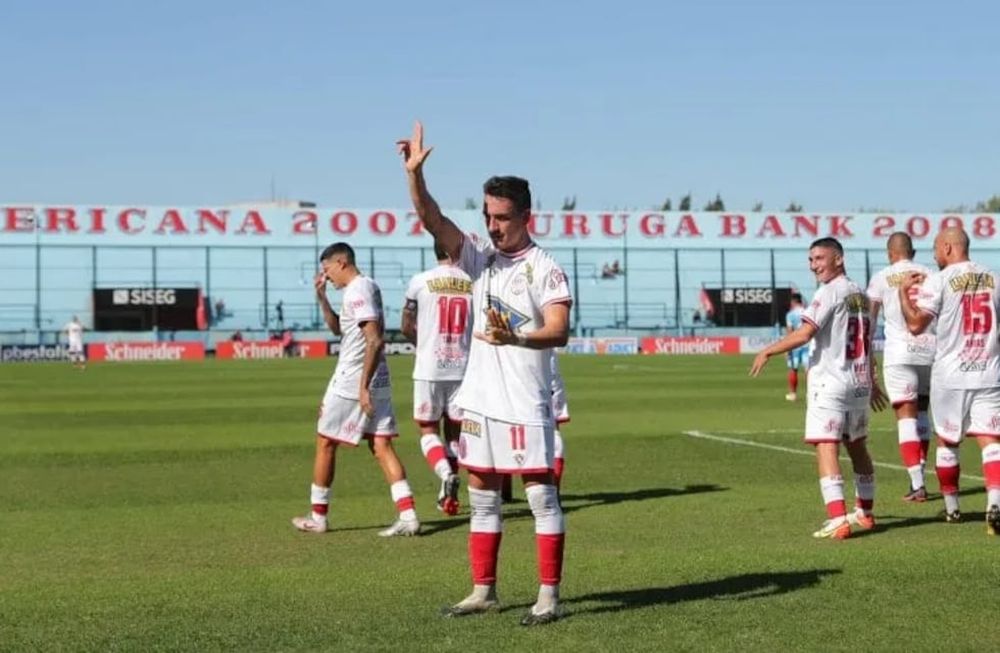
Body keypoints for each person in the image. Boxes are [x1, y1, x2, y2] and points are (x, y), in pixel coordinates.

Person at [399, 121, 571, 625]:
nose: (493, 226)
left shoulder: (546, 268)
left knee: (540, 496)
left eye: (501, 218)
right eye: (488, 216)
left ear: (525, 216)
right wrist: (415, 176)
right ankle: (483, 590)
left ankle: (548, 596)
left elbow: (559, 330)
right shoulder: (479, 261)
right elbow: (433, 220)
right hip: (478, 401)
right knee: (481, 498)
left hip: (524, 399)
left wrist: (515, 336)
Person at [750, 238, 886, 539]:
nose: (814, 266)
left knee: (826, 445)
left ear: (839, 259)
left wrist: (768, 351)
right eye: (811, 260)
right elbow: (867, 342)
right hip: (858, 384)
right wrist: (873, 383)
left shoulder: (830, 292)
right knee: (858, 446)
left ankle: (838, 519)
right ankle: (865, 512)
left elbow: (806, 332)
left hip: (832, 383)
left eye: (820, 258)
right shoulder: (860, 294)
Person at [291, 242, 421, 537]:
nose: (326, 277)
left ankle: (318, 516)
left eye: (327, 271)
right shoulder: (365, 287)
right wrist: (321, 298)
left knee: (325, 441)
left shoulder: (358, 289)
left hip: (353, 378)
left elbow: (374, 340)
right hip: (378, 377)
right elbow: (340, 329)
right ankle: (408, 515)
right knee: (381, 445)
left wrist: (362, 387)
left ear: (341, 263)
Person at [899, 227, 1000, 534]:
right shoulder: (994, 278)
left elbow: (916, 325)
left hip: (951, 375)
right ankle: (995, 501)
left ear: (947, 247)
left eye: (934, 248)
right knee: (991, 440)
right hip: (989, 371)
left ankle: (953, 509)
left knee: (948, 440)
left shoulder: (939, 280)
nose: (932, 255)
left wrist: (903, 293)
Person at [401, 243, 473, 515]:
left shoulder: (420, 281)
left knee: (428, 429)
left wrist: (424, 344)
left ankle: (445, 475)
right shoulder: (472, 281)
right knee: (455, 431)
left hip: (430, 367)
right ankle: (450, 500)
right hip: (463, 367)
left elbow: (406, 325)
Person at [866, 232, 936, 502]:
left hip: (900, 352)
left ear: (889, 253)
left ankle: (917, 483)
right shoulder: (931, 274)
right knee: (921, 414)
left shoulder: (881, 277)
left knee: (905, 417)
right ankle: (921, 477)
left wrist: (868, 355)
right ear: (913, 252)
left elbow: (870, 321)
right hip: (931, 349)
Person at [784, 293, 808, 401]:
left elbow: (790, 331)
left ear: (793, 302)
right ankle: (811, 394)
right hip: (808, 344)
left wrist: (787, 348)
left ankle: (793, 394)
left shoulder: (790, 314)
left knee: (793, 369)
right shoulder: (808, 311)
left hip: (795, 345)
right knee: (809, 370)